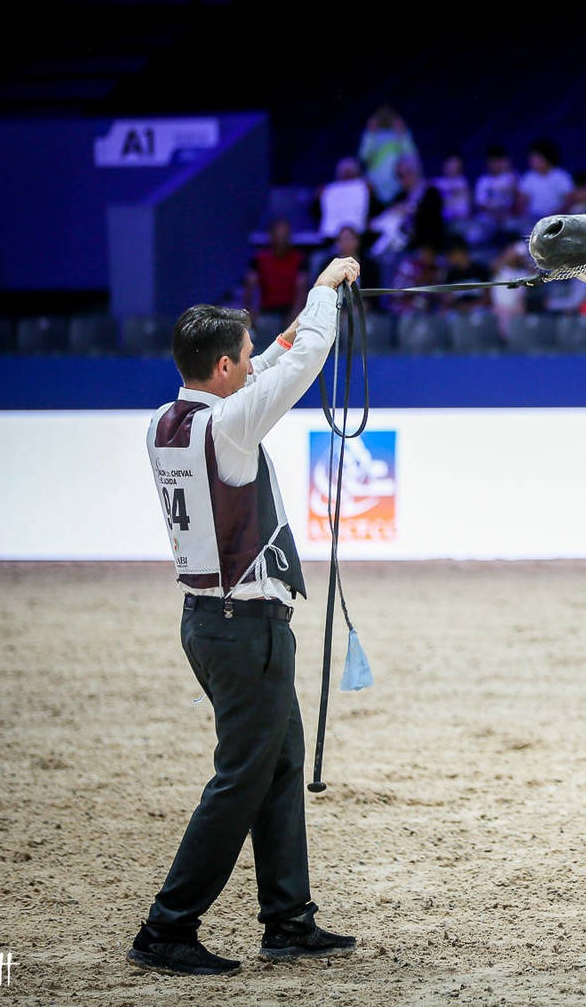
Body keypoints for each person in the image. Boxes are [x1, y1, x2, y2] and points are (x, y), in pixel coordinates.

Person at [133, 258, 362, 976]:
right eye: (244, 352)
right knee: (241, 776)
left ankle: (288, 917)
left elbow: (260, 370)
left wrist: (282, 337)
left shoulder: (169, 422)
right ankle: (168, 925)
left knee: (278, 760)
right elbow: (296, 371)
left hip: (209, 620)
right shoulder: (231, 427)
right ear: (223, 366)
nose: (250, 358)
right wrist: (324, 292)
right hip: (244, 625)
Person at [243, 219, 306, 318]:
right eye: (278, 235)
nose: (281, 239)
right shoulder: (260, 259)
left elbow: (301, 290)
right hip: (266, 311)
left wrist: (296, 315)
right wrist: (250, 312)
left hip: (290, 310)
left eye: (285, 235)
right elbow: (250, 288)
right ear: (271, 236)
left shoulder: (298, 259)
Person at [358, 105, 417, 210]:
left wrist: (401, 133)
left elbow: (411, 156)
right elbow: (364, 157)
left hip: (398, 187)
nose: (385, 119)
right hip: (375, 187)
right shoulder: (371, 135)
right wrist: (371, 133)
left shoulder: (402, 134)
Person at [518, 140, 575, 219]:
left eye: (535, 159)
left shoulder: (561, 176)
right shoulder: (528, 177)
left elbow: (569, 201)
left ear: (546, 159)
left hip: (557, 218)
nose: (531, 162)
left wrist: (555, 215)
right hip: (533, 218)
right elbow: (522, 201)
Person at [318, 158, 370, 240]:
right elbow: (317, 214)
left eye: (350, 175)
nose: (347, 178)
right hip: (332, 238)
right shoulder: (328, 191)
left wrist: (371, 194)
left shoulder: (366, 189)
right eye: (345, 175)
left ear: (358, 174)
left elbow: (376, 210)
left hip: (360, 237)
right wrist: (318, 199)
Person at [432, 154, 472, 226]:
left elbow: (465, 206)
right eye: (450, 163)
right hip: (441, 220)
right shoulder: (436, 183)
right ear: (444, 165)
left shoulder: (463, 182)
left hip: (461, 220)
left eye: (455, 164)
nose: (452, 167)